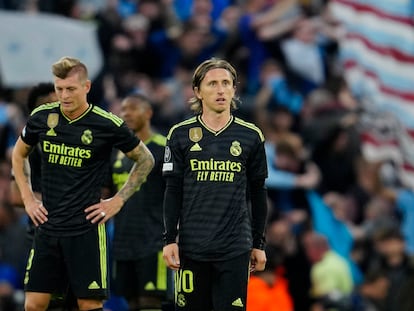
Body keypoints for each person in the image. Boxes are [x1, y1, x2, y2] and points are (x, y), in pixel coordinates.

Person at [11, 56, 155, 311]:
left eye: (70, 89)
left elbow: (145, 159)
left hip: (86, 229)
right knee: (34, 304)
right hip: (48, 225)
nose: (64, 96)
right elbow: (19, 153)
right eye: (59, 89)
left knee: (88, 304)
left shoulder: (106, 123)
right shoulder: (42, 117)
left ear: (86, 87)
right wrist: (29, 199)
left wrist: (117, 201)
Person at [162, 58, 268, 311]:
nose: (220, 90)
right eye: (212, 84)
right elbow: (172, 190)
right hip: (192, 247)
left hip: (235, 248)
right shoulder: (179, 134)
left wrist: (259, 244)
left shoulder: (251, 135)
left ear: (234, 89)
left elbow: (258, 193)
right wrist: (169, 240)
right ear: (197, 91)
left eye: (226, 83)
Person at [107, 93, 172, 310]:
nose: (126, 113)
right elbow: (105, 193)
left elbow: (177, 193)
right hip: (122, 241)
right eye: (123, 109)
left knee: (150, 302)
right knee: (132, 302)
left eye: (133, 108)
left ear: (149, 113)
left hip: (153, 240)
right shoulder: (116, 152)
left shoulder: (165, 148)